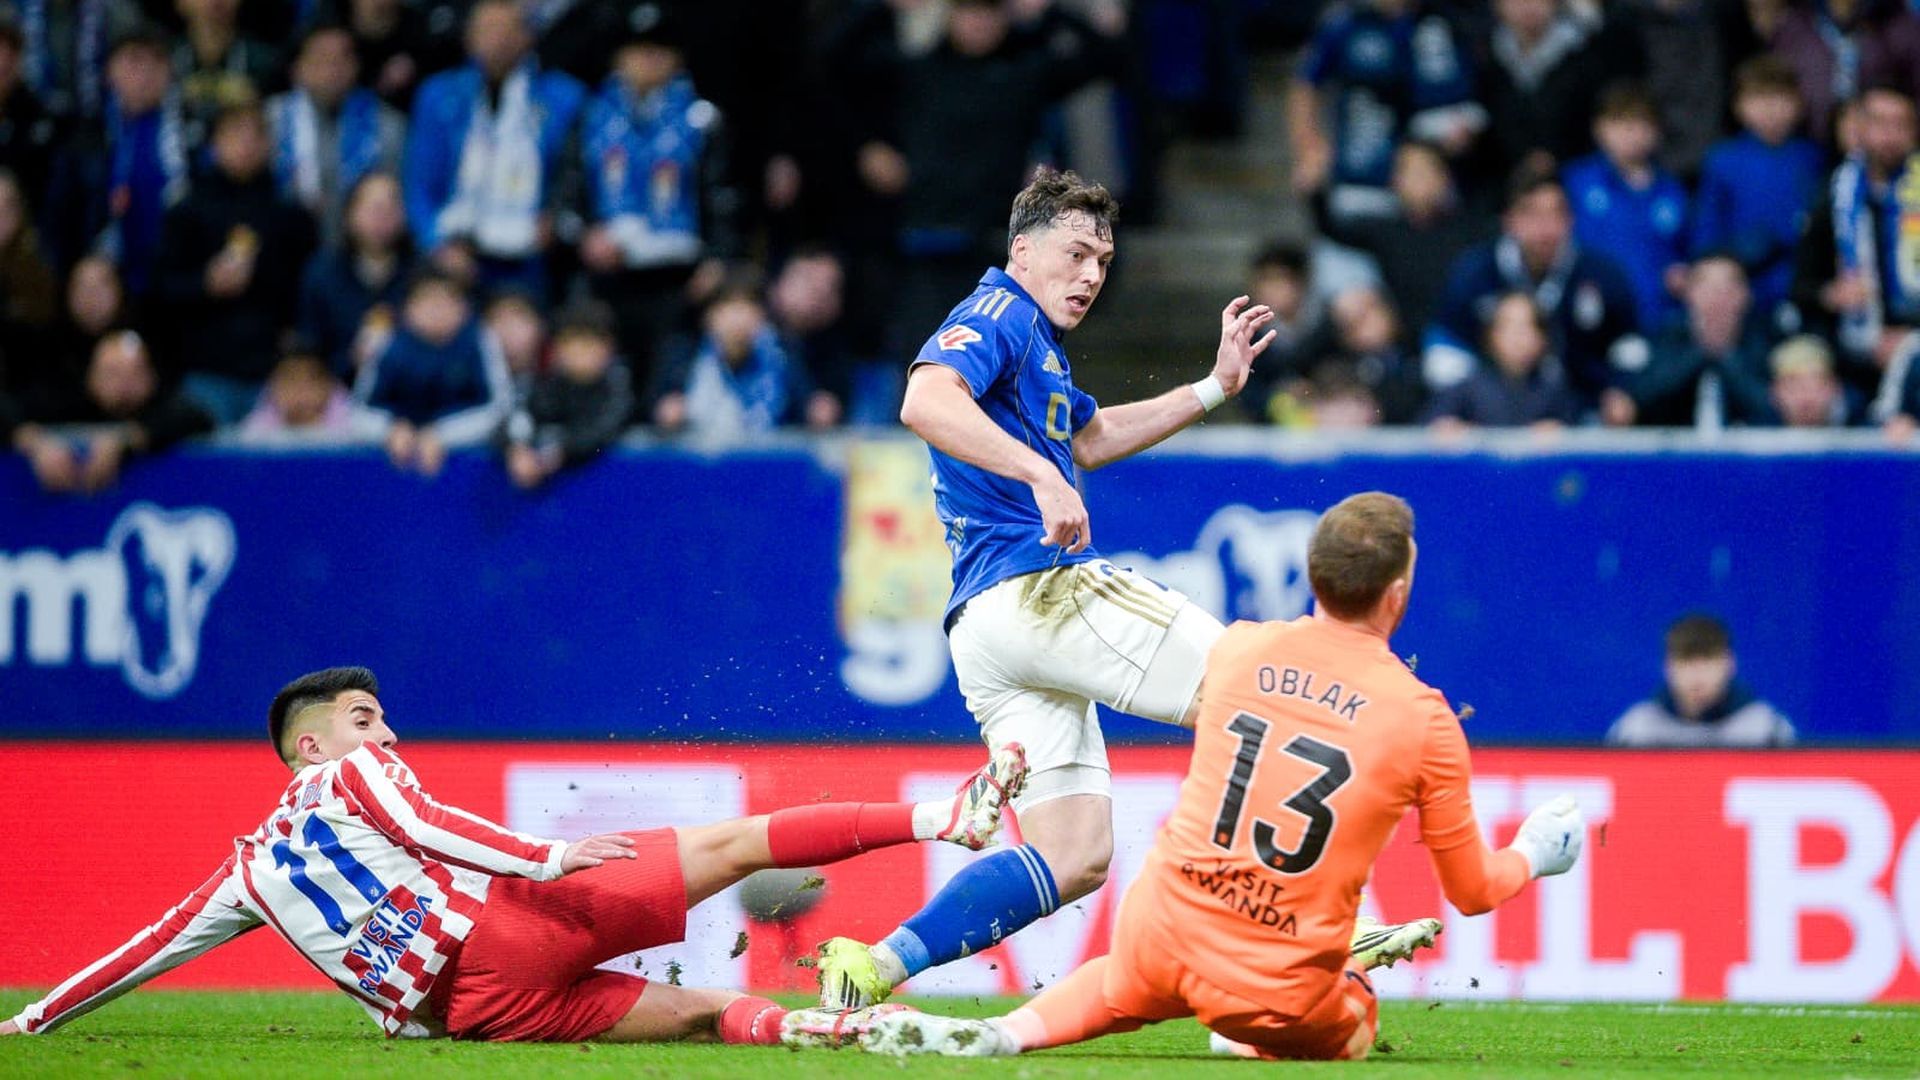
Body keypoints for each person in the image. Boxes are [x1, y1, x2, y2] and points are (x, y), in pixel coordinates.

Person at [855, 492, 1586, 1060]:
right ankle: (1257, 1028)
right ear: (1397, 595)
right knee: (1357, 1018)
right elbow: (1471, 891)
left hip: (1161, 935)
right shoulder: (1424, 720)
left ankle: (1007, 1035)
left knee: (1120, 984)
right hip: (1284, 985)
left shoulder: (1237, 654)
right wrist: (1537, 852)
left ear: (1313, 578)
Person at [813, 167, 1280, 1009]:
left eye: (1103, 259)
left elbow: (1092, 439)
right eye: (1075, 253)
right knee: (1260, 699)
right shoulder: (998, 312)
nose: (1092, 274)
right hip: (1040, 592)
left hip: (986, 630)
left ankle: (872, 968)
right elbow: (925, 399)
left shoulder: (1039, 347)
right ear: (1021, 251)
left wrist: (1213, 388)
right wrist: (1040, 476)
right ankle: (1271, 949)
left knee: (1074, 857)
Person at [0, 665, 1028, 1041]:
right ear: (308, 746)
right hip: (513, 919)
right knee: (734, 842)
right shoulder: (347, 775)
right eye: (368, 719)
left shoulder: (245, 873)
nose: (387, 734)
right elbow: (431, 826)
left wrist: (33, 1018)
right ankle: (947, 816)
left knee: (702, 1015)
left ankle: (807, 1036)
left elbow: (150, 948)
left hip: (480, 1015)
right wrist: (545, 857)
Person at [571, 11, 737, 399]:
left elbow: (722, 195)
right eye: (638, 51)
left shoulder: (701, 120)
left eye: (658, 52)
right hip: (608, 274)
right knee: (608, 375)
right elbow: (569, 193)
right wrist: (583, 234)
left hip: (677, 278)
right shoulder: (591, 117)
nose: (647, 61)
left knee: (667, 379)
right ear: (619, 58)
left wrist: (717, 257)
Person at [403, 0, 585, 300]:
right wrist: (437, 244)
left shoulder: (563, 98)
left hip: (531, 253)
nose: (497, 40)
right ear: (469, 37)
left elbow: (574, 175)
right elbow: (419, 182)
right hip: (455, 247)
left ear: (528, 36)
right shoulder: (439, 95)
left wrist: (556, 218)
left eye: (507, 30)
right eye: (487, 30)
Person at [1425, 168, 1642, 415]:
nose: (1545, 229)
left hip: (1584, 416)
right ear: (1509, 220)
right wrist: (1460, 408)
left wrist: (1621, 390)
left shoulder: (1603, 276)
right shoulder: (1474, 274)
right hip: (1489, 419)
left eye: (1555, 214)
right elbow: (1445, 350)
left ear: (1570, 219)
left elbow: (1630, 348)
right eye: (1532, 214)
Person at [155, 100, 320, 425]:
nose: (246, 144)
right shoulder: (187, 210)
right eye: (234, 134)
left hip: (275, 374)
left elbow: (308, 288)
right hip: (207, 371)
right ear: (215, 143)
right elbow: (160, 288)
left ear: (269, 144)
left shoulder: (291, 213)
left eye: (256, 135)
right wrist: (205, 283)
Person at [1290, 0, 1483, 228]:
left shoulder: (1442, 19)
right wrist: (1308, 145)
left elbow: (1466, 98)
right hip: (1365, 166)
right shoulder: (1346, 23)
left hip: (1431, 179)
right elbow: (1306, 82)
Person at [1690, 56, 1826, 316]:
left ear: (1798, 103)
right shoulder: (1722, 160)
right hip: (1741, 291)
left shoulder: (1812, 158)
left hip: (1801, 289)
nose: (1769, 108)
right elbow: (1705, 233)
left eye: (1779, 97)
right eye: (1757, 98)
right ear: (1738, 106)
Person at [9, 328, 211, 492]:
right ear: (91, 377)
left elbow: (196, 417)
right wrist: (36, 442)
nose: (124, 384)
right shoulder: (62, 400)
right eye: (112, 374)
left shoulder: (164, 405)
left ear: (152, 378)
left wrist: (123, 439)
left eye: (135, 373)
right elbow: (9, 413)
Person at [1561, 82, 1690, 333]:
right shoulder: (1576, 181)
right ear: (1599, 129)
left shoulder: (1673, 192)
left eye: (1641, 123)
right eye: (1620, 123)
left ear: (1657, 131)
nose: (1631, 133)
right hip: (1590, 316)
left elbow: (1687, 252)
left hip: (1659, 319)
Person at [356, 269, 511, 476]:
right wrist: (390, 430)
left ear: (464, 308)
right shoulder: (388, 343)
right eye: (427, 300)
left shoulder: (480, 341)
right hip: (399, 456)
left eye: (448, 300)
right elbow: (358, 411)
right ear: (408, 309)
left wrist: (442, 434)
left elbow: (500, 409)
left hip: (468, 464)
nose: (437, 309)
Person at [266, 23, 406, 245]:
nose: (332, 69)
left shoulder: (389, 125)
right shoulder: (270, 120)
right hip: (282, 245)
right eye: (321, 59)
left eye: (342, 59)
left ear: (356, 66)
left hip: (361, 250)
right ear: (298, 68)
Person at [1621, 254, 1776, 429]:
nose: (1717, 300)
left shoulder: (1764, 341)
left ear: (1745, 295)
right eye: (1708, 289)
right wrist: (1700, 354)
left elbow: (1772, 407)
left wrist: (1724, 358)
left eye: (1726, 290)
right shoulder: (1665, 337)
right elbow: (1641, 400)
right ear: (1689, 293)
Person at [653, 280, 817, 438]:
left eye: (748, 308)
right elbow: (651, 407)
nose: (739, 320)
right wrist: (666, 413)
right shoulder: (684, 355)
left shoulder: (785, 354)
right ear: (709, 316)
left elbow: (805, 408)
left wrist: (815, 411)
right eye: (730, 308)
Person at [1606, 614, 1796, 747]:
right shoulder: (1636, 730)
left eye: (1708, 661)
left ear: (1730, 664)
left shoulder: (1766, 729)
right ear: (1668, 668)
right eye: (1686, 662)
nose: (1697, 677)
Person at [500, 298, 632, 488]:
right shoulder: (548, 386)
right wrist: (517, 448)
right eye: (570, 343)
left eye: (587, 344)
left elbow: (603, 429)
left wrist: (560, 451)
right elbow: (515, 417)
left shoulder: (617, 387)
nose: (578, 353)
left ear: (608, 347)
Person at [297, 170, 414, 379]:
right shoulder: (323, 272)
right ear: (349, 214)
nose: (382, 219)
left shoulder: (422, 275)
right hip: (335, 395)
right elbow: (310, 347)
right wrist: (350, 360)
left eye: (390, 209)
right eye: (373, 209)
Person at [1424, 290, 1578, 429]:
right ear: (1491, 335)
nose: (1517, 337)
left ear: (1542, 338)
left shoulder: (1555, 390)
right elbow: (1427, 428)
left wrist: (1559, 436)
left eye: (1527, 327)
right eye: (1508, 326)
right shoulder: (1466, 389)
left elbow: (1580, 438)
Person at [235, 340, 390, 445]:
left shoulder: (359, 428)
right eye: (290, 381)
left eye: (310, 380)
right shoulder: (250, 439)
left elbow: (392, 431)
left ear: (329, 385)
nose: (300, 391)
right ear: (272, 387)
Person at [1765, 334, 1858, 427]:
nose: (1807, 398)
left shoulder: (1862, 435)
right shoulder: (1755, 436)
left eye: (1817, 386)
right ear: (1775, 391)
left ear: (1835, 388)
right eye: (1794, 387)